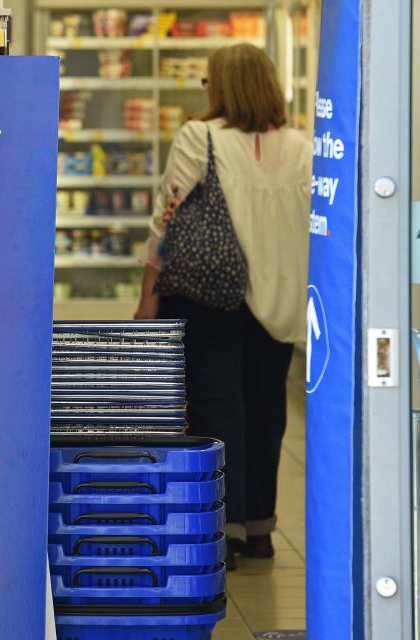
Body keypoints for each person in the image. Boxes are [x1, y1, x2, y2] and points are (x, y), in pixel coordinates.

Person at [135, 43, 311, 570]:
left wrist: (149, 294)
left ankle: (223, 529)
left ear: (224, 86)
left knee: (216, 413)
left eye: (210, 82)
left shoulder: (200, 136)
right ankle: (260, 528)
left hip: (211, 295)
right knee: (265, 413)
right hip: (279, 298)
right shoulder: (303, 147)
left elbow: (167, 214)